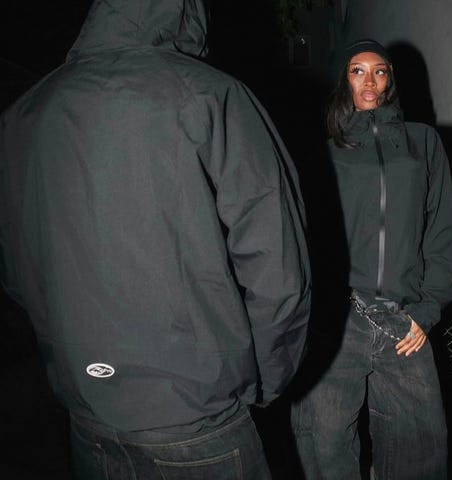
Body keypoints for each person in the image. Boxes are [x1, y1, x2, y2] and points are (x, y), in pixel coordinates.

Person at [0, 1, 311, 479]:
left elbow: (16, 265)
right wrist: (264, 381)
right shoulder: (209, 94)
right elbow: (277, 266)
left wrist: (71, 357)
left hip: (85, 412)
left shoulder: (23, 114)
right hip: (196, 416)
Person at [291, 39, 452, 479]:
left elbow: (442, 228)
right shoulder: (326, 150)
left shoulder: (423, 142)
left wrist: (428, 307)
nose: (369, 81)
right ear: (343, 81)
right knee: (324, 445)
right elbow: (305, 235)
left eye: (379, 71)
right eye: (357, 71)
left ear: (390, 81)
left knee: (421, 446)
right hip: (339, 317)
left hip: (405, 318)